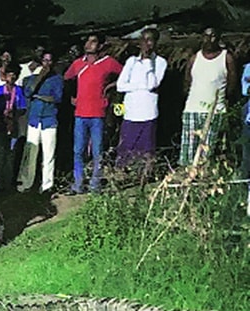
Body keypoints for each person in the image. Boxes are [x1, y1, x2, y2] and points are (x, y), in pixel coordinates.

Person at [64, 32, 122, 194]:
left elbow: (126, 74)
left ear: (101, 45)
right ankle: (78, 183)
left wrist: (111, 86)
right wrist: (72, 96)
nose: (89, 44)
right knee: (78, 150)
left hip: (98, 114)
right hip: (80, 114)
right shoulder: (77, 64)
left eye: (93, 41)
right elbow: (67, 78)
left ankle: (95, 184)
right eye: (87, 41)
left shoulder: (108, 62)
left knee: (97, 151)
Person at [179, 27, 237, 166]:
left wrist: (222, 100)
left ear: (218, 38)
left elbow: (232, 85)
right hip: (192, 110)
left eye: (213, 36)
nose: (210, 39)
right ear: (202, 38)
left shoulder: (226, 58)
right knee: (188, 151)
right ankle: (187, 180)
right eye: (206, 36)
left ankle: (205, 179)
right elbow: (187, 83)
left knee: (207, 152)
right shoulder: (195, 58)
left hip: (215, 111)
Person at [115, 28, 167, 175]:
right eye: (143, 40)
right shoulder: (131, 62)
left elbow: (152, 84)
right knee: (125, 149)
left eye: (150, 40)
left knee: (147, 151)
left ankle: (144, 179)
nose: (146, 44)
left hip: (148, 113)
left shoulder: (160, 62)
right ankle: (121, 178)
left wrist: (148, 63)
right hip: (131, 112)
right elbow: (120, 86)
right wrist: (140, 87)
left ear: (155, 42)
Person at [17, 51, 63, 194]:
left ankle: (47, 185)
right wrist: (41, 77)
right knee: (31, 152)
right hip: (34, 119)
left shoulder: (57, 79)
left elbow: (56, 98)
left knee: (48, 154)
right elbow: (29, 93)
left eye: (50, 61)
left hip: (49, 119)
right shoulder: (32, 79)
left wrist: (40, 97)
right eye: (45, 60)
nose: (47, 64)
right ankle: (27, 182)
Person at [0, 63, 26, 191]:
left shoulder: (19, 90)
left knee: (11, 154)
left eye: (14, 75)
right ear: (5, 76)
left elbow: (23, 108)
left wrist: (14, 114)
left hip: (13, 125)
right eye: (9, 75)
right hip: (0, 124)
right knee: (0, 154)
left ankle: (9, 182)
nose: (12, 78)